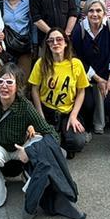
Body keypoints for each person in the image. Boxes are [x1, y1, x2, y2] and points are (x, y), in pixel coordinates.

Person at [0, 63, 58, 208]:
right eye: (0, 81)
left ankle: (30, 177)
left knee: (40, 144)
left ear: (18, 85)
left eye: (9, 82)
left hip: (20, 147)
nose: (4, 86)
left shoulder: (25, 106)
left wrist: (30, 150)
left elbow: (49, 131)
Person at [71, 0, 110, 161]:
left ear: (104, 13)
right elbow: (78, 59)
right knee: (87, 102)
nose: (94, 14)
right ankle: (88, 129)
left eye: (98, 11)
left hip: (108, 72)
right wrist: (98, 79)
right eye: (91, 11)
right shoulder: (79, 30)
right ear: (86, 13)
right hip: (87, 74)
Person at [28, 29, 91, 158]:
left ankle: (61, 142)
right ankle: (56, 143)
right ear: (47, 45)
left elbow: (81, 91)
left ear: (66, 43)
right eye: (51, 41)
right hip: (47, 110)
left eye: (59, 39)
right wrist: (40, 115)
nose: (55, 43)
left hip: (67, 112)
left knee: (78, 142)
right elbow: (34, 89)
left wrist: (74, 116)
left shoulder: (76, 64)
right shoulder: (41, 63)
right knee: (43, 142)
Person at [1, 0, 34, 78]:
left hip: (24, 45)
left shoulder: (28, 3)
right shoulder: (0, 4)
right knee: (8, 77)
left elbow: (33, 23)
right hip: (8, 46)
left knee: (24, 79)